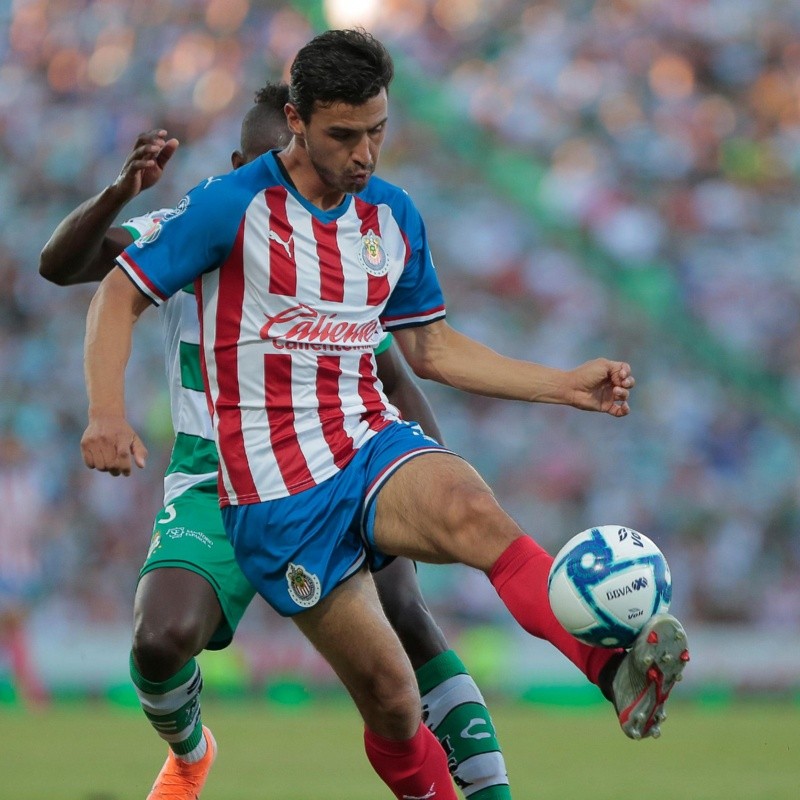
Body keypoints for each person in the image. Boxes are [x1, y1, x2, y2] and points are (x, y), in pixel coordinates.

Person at [80, 29, 690, 799]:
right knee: (395, 702)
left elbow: (430, 350)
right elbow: (115, 291)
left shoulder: (391, 214)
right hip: (276, 496)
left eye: (378, 132)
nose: (365, 154)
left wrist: (562, 384)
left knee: (475, 512)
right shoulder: (231, 207)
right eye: (345, 135)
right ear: (296, 121)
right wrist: (106, 412)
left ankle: (614, 671)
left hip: (367, 444)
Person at [41, 83, 513, 799]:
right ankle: (191, 752)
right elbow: (64, 265)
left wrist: (437, 476)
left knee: (408, 617)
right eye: (278, 163)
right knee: (160, 639)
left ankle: (489, 790)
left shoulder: (338, 245)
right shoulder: (195, 224)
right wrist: (117, 191)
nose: (298, 186)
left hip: (339, 464)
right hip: (218, 476)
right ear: (240, 165)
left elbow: (393, 375)